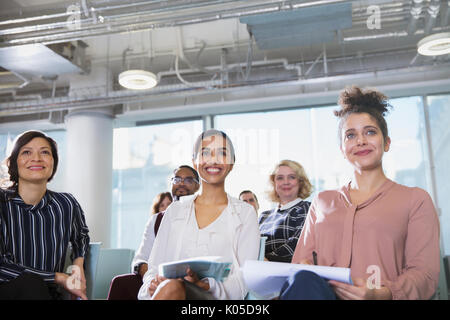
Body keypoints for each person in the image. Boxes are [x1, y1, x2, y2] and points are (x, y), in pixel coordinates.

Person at [281, 86, 440, 300]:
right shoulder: (322, 201)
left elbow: (425, 275)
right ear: (342, 149)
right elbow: (301, 264)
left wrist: (381, 294)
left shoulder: (415, 200)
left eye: (370, 132)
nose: (360, 141)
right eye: (350, 135)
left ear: (387, 142)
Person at [137, 129, 260, 300]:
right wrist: (152, 284)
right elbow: (154, 267)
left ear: (232, 163)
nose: (213, 159)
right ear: (195, 162)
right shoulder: (174, 211)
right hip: (167, 293)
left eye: (222, 153)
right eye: (205, 153)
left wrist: (205, 285)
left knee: (172, 287)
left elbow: (244, 279)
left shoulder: (245, 214)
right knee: (171, 287)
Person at [0, 130, 90, 300]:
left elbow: (81, 236)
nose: (36, 158)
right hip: (5, 291)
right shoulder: (1, 202)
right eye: (27, 152)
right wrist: (58, 277)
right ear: (13, 162)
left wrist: (78, 266)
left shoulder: (66, 203)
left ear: (53, 163)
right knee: (30, 283)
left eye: (45, 152)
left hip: (47, 295)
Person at [132, 166, 200, 278]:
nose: (181, 184)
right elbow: (140, 259)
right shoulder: (156, 220)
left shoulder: (203, 217)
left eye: (188, 180)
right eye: (177, 179)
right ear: (171, 184)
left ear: (197, 186)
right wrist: (153, 278)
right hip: (158, 279)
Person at [258, 160, 312, 262]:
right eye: (280, 178)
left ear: (300, 182)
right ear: (274, 183)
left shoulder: (306, 208)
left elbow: (298, 243)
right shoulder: (264, 216)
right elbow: (253, 246)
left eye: (291, 177)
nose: (286, 182)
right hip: (260, 270)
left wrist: (265, 259)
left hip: (288, 271)